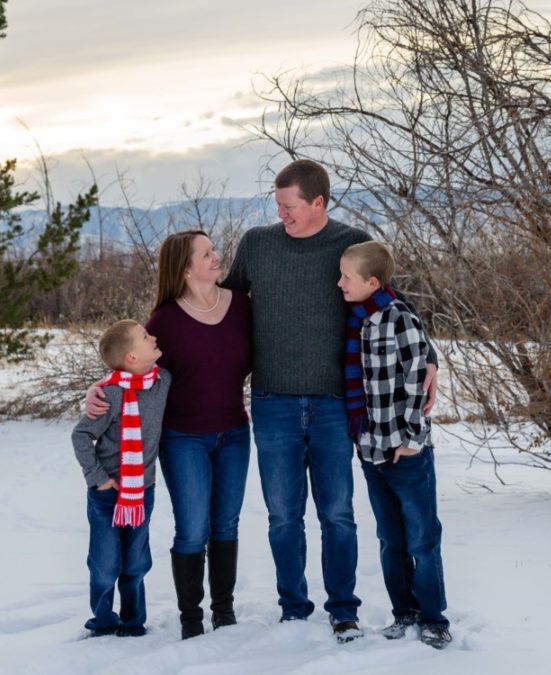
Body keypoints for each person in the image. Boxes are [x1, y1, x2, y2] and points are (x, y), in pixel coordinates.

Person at [219, 159, 439, 643]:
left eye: (289, 205)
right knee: (282, 516)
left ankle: (344, 610)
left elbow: (390, 302)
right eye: (277, 205)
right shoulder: (257, 244)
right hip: (273, 400)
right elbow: (223, 310)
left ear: (318, 203)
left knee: (337, 513)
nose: (282, 214)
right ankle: (294, 609)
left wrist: (431, 358)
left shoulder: (349, 242)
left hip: (336, 402)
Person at [85, 231, 252, 640]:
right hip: (184, 439)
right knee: (193, 527)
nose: (217, 257)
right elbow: (131, 365)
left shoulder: (242, 306)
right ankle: (192, 618)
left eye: (214, 251)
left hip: (233, 433)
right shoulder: (165, 321)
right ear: (185, 268)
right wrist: (96, 391)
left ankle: (224, 612)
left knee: (226, 526)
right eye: (207, 253)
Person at [337, 241, 452, 649]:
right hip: (370, 450)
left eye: (346, 278)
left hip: (406, 451)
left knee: (422, 538)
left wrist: (413, 440)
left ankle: (435, 618)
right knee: (390, 540)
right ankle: (404, 612)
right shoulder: (355, 320)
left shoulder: (400, 319)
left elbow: (416, 384)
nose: (339, 283)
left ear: (372, 281)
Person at [72, 319, 171, 638]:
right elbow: (81, 435)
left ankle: (133, 622)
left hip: (143, 492)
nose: (153, 336)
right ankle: (102, 620)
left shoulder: (162, 381)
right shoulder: (111, 394)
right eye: (145, 337)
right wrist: (97, 478)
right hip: (107, 495)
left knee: (136, 562)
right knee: (104, 564)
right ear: (130, 357)